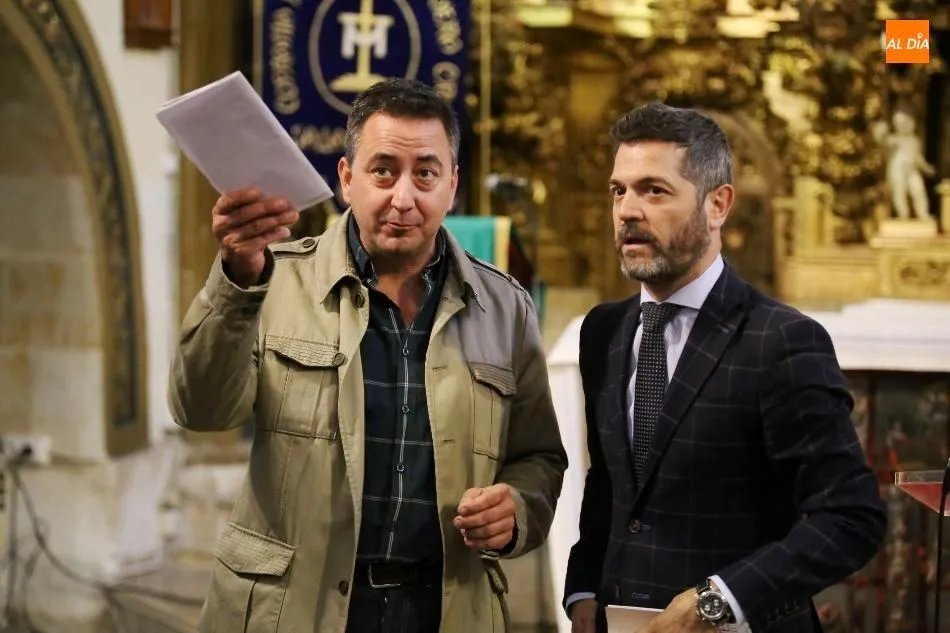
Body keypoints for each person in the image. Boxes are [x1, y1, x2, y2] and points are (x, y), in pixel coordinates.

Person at [168, 78, 567, 633]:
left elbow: (540, 457)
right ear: (347, 178)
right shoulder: (272, 281)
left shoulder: (505, 310)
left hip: (444, 609)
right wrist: (237, 283)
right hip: (297, 611)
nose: (403, 197)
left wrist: (518, 507)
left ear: (453, 185)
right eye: (383, 170)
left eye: (426, 173)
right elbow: (202, 411)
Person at [563, 102, 886, 633]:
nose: (626, 211)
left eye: (654, 190)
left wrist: (720, 602)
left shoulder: (780, 340)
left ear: (718, 205)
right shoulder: (603, 331)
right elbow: (613, 487)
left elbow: (851, 518)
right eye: (619, 190)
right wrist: (583, 591)